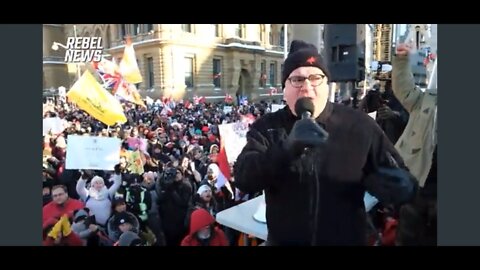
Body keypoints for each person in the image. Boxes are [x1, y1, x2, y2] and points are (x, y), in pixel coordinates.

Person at [234, 40, 418, 246]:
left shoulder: (359, 125)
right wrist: (286, 150)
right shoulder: (267, 127)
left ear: (326, 83)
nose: (306, 87)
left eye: (315, 78)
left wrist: (399, 187)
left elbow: (403, 179)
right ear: (284, 88)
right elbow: (243, 178)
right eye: (297, 79)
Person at [391, 43, 437, 246]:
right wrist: (401, 61)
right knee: (408, 236)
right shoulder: (427, 99)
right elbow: (404, 88)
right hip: (418, 184)